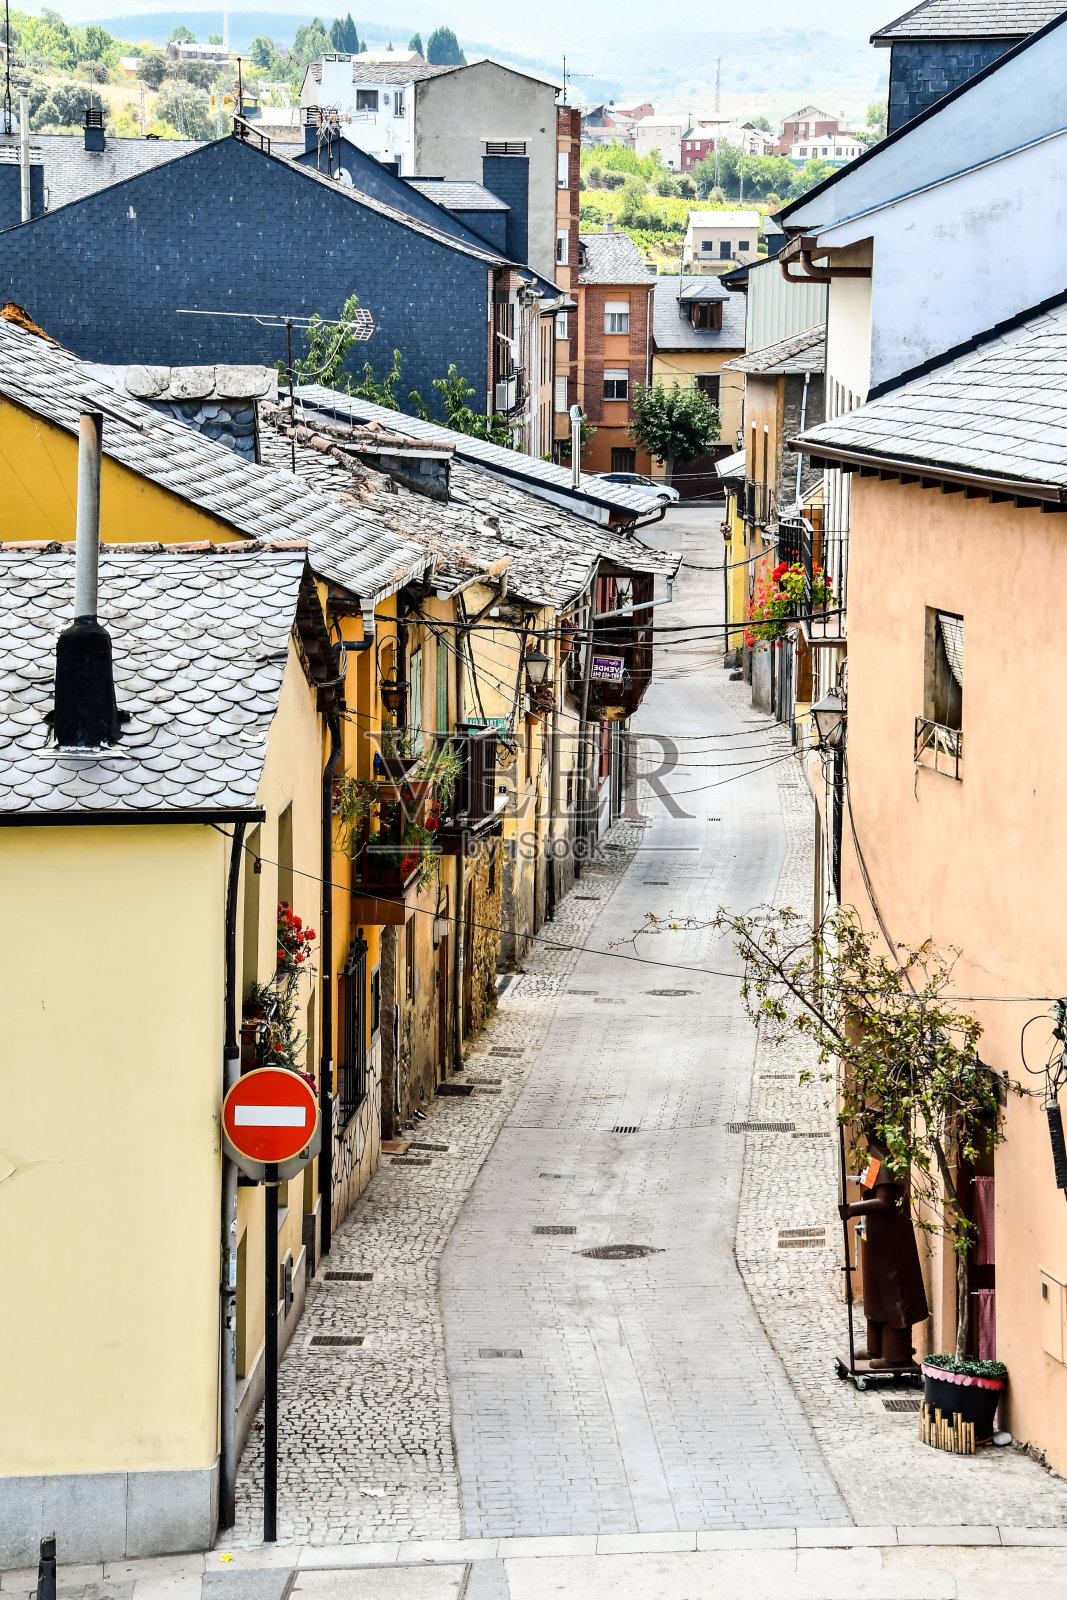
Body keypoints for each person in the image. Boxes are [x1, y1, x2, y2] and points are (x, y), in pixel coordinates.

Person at [840, 1146, 929, 1367]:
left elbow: (885, 1202)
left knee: (892, 1295)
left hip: (890, 1241)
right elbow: (868, 1189)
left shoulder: (887, 1158)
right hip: (876, 1236)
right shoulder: (874, 1156)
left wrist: (852, 1209)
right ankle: (876, 1349)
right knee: (875, 1294)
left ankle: (895, 1355)